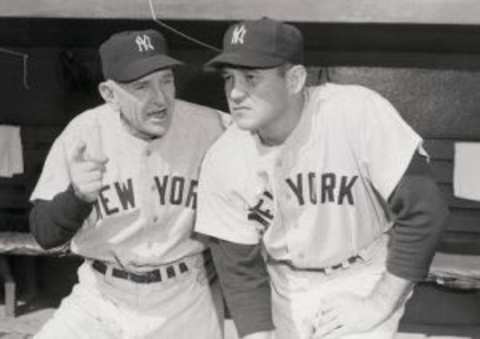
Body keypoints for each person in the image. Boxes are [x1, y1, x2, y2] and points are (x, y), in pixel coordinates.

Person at [195, 18, 449, 339]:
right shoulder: (224, 158)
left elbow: (425, 211)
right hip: (286, 282)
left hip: (362, 273)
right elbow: (239, 269)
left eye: (251, 78)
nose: (235, 92)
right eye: (229, 78)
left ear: (295, 79)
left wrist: (378, 303)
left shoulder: (355, 112)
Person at [29, 29, 225, 339]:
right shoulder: (84, 132)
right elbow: (44, 234)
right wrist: (76, 197)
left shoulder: (212, 127)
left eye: (166, 80)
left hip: (185, 297)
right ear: (109, 94)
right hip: (103, 297)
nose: (160, 99)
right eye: (141, 86)